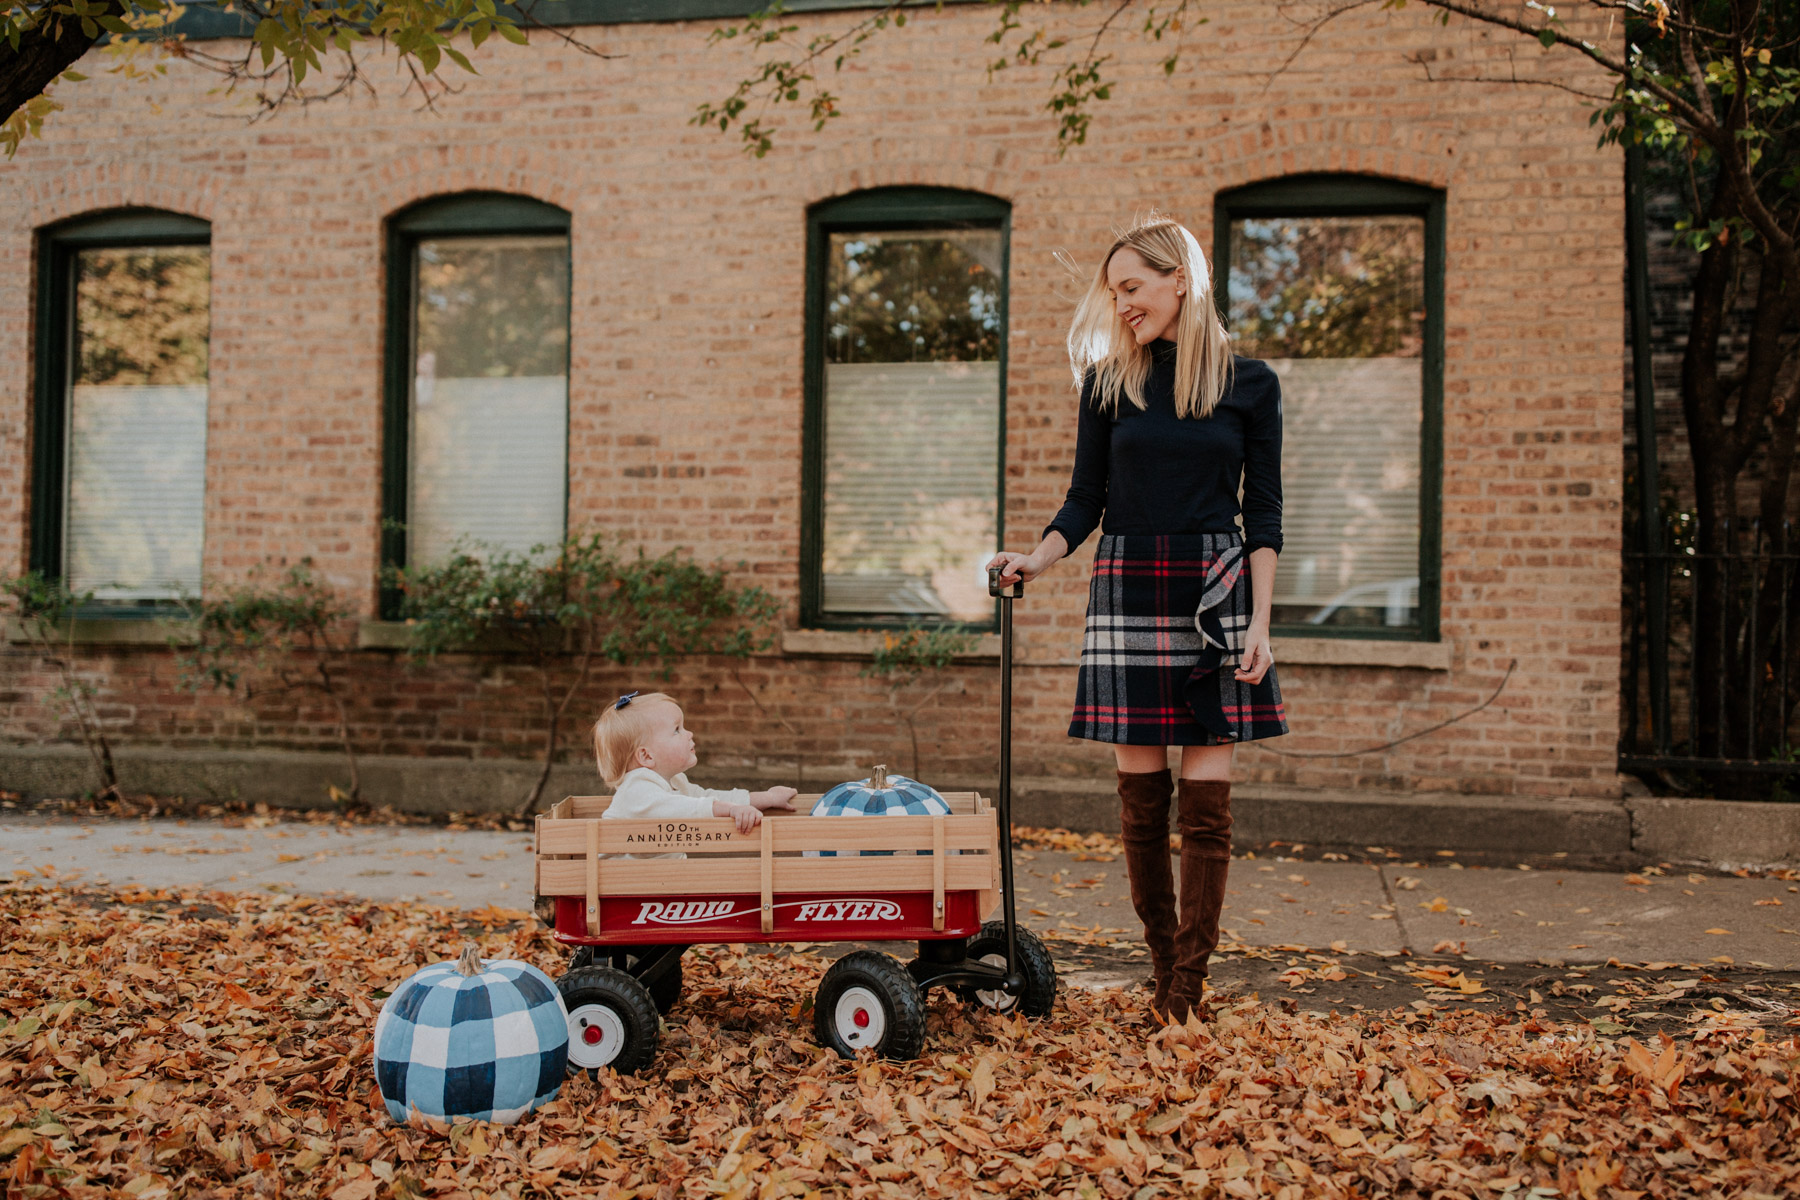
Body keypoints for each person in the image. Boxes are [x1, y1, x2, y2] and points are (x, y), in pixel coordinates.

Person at [988, 214, 1288, 1023]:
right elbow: (1086, 500)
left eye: (1133, 287)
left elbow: (1263, 517)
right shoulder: (1107, 385)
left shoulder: (1250, 384)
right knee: (1140, 804)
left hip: (1216, 590)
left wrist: (1261, 622)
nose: (1121, 305)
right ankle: (1164, 971)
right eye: (1113, 291)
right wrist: (1036, 559)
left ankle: (1188, 986)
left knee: (1208, 809)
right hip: (1128, 584)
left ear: (1178, 280)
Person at [593, 691, 797, 845]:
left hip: (653, 882)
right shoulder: (637, 790)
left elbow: (708, 797)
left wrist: (768, 798)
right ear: (646, 756)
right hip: (617, 885)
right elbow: (690, 809)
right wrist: (732, 810)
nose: (689, 733)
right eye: (676, 730)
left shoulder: (674, 781)